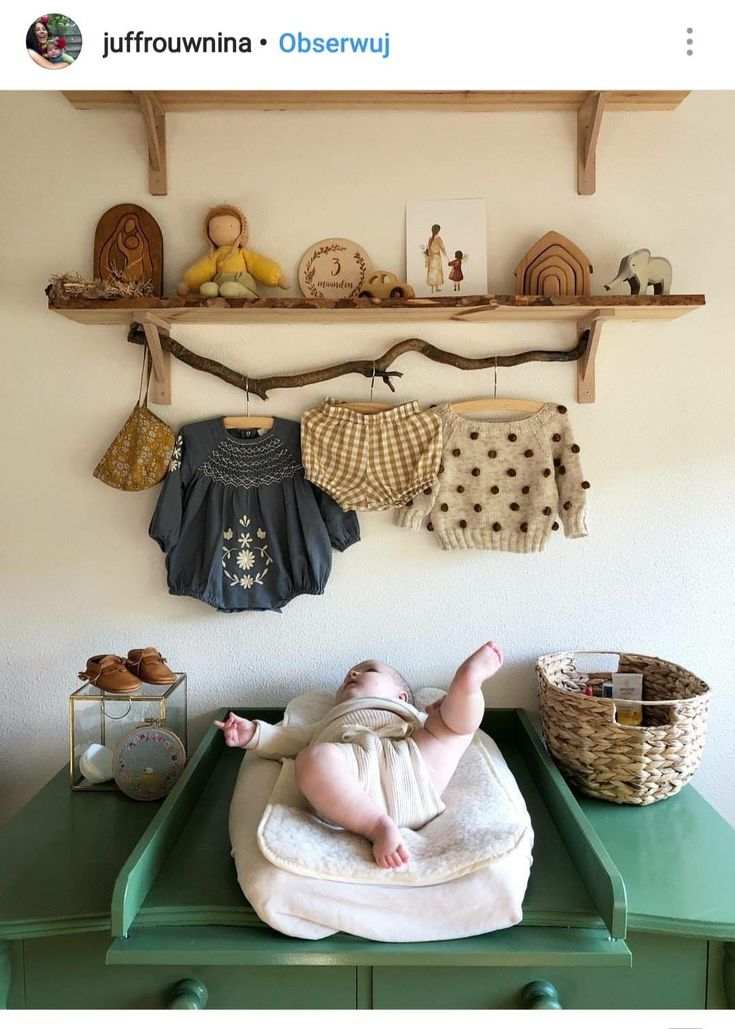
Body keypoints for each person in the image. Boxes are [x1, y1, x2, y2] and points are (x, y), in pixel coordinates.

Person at [215, 640, 504, 869]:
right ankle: (377, 826)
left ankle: (467, 687)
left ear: (401, 696)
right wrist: (253, 734)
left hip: (411, 765)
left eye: (369, 670)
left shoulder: (405, 712)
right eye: (348, 676)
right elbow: (288, 739)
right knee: (313, 759)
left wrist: (446, 708)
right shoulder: (329, 721)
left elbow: (440, 725)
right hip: (354, 785)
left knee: (450, 729)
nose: (352, 674)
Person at [423, 223, 447, 293]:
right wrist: (445, 255)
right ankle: (436, 288)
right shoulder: (438, 238)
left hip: (431, 256)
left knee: (431, 271)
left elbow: (428, 248)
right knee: (437, 271)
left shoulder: (430, 238)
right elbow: (442, 247)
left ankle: (433, 289)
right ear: (438, 231)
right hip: (437, 256)